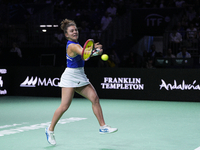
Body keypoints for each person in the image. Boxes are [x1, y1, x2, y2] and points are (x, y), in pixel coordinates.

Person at [45, 18, 118, 146]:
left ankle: (103, 126)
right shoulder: (72, 46)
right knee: (64, 107)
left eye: (76, 30)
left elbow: (86, 55)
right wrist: (94, 49)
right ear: (66, 34)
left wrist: (96, 51)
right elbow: (85, 54)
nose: (75, 32)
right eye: (72, 31)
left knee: (94, 98)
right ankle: (50, 129)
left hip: (80, 75)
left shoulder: (78, 44)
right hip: (70, 77)